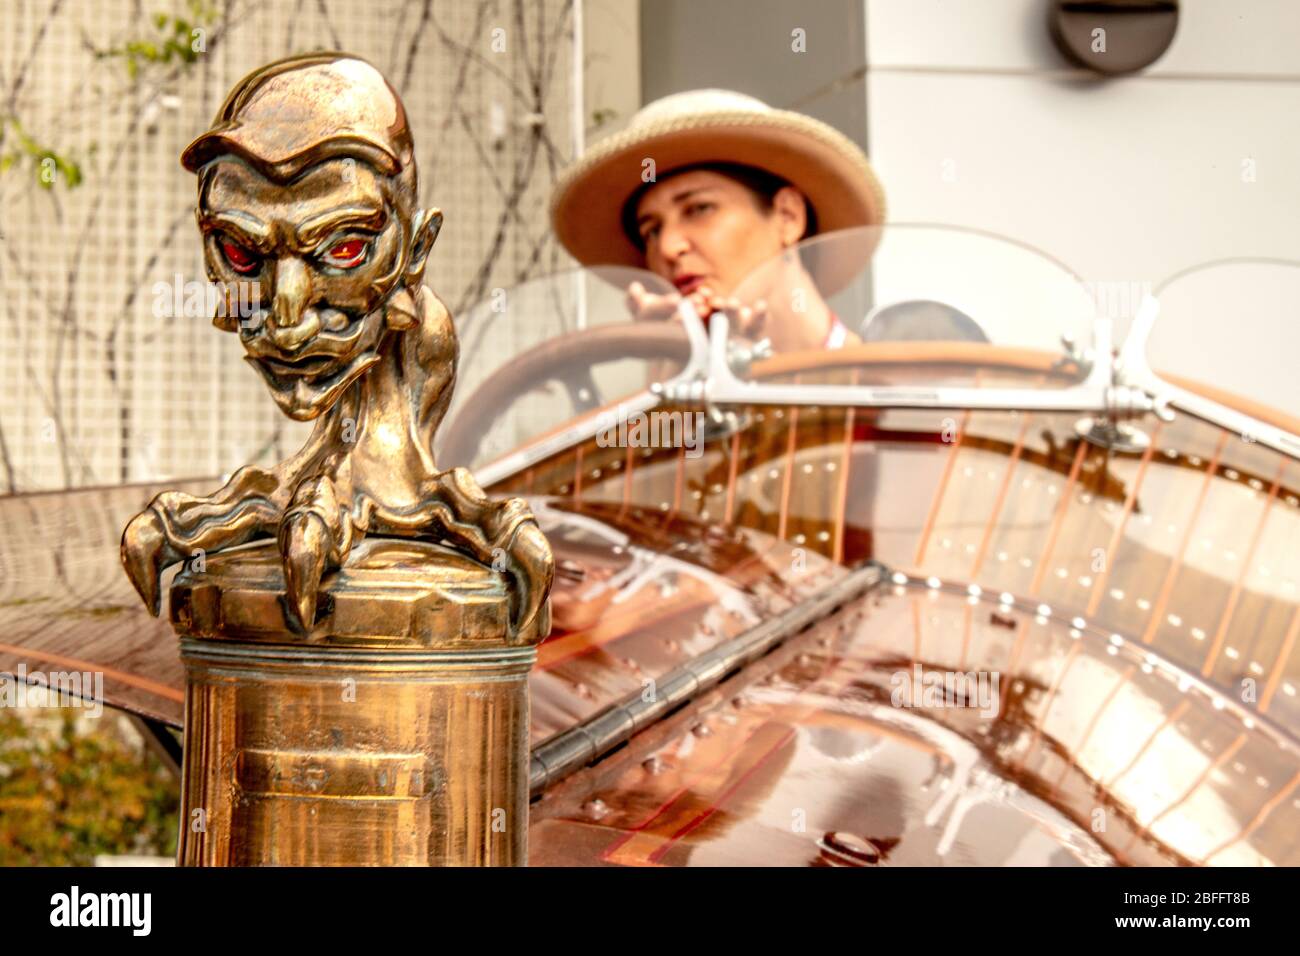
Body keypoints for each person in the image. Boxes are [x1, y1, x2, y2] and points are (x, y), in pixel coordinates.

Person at [549, 89, 887, 353]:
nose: (667, 247)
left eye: (699, 209)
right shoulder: (669, 414)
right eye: (651, 231)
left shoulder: (885, 398)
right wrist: (670, 361)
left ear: (788, 216)